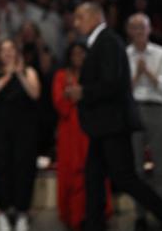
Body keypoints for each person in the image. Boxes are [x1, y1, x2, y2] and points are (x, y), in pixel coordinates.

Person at [64, 2, 162, 231]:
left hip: (112, 124)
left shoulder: (108, 42)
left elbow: (114, 83)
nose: (75, 23)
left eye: (79, 17)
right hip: (102, 126)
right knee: (93, 180)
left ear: (95, 17)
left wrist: (83, 92)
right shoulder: (101, 43)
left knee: (126, 179)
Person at [0, 38, 41, 231]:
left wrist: (20, 74)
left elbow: (35, 94)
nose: (7, 53)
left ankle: (22, 213)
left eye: (11, 49)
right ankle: (3, 213)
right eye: (3, 50)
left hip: (24, 131)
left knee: (23, 171)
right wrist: (7, 76)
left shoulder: (29, 71)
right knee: (0, 170)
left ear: (17, 52)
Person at [53, 43, 110, 231]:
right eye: (74, 53)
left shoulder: (95, 75)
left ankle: (93, 217)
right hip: (69, 131)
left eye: (82, 53)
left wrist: (77, 94)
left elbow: (101, 100)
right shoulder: (61, 76)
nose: (78, 56)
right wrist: (74, 97)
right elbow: (59, 103)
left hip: (91, 130)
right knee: (71, 173)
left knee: (93, 173)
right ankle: (74, 218)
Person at [126, 13, 162, 231]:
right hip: (134, 110)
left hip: (157, 109)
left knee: (160, 167)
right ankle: (140, 216)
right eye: (134, 28)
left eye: (142, 27)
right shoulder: (125, 54)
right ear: (129, 31)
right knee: (136, 168)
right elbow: (124, 89)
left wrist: (148, 73)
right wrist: (137, 74)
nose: (138, 32)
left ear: (149, 30)